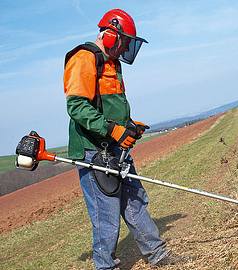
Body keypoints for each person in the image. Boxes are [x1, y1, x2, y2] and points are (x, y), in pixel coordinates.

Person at [63, 9, 170, 269]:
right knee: (106, 215)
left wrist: (129, 126)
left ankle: (158, 254)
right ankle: (105, 266)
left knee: (135, 200)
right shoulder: (84, 58)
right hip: (93, 150)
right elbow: (77, 106)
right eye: (123, 42)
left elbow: (110, 106)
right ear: (111, 35)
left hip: (115, 148)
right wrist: (112, 131)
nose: (124, 49)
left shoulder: (112, 63)